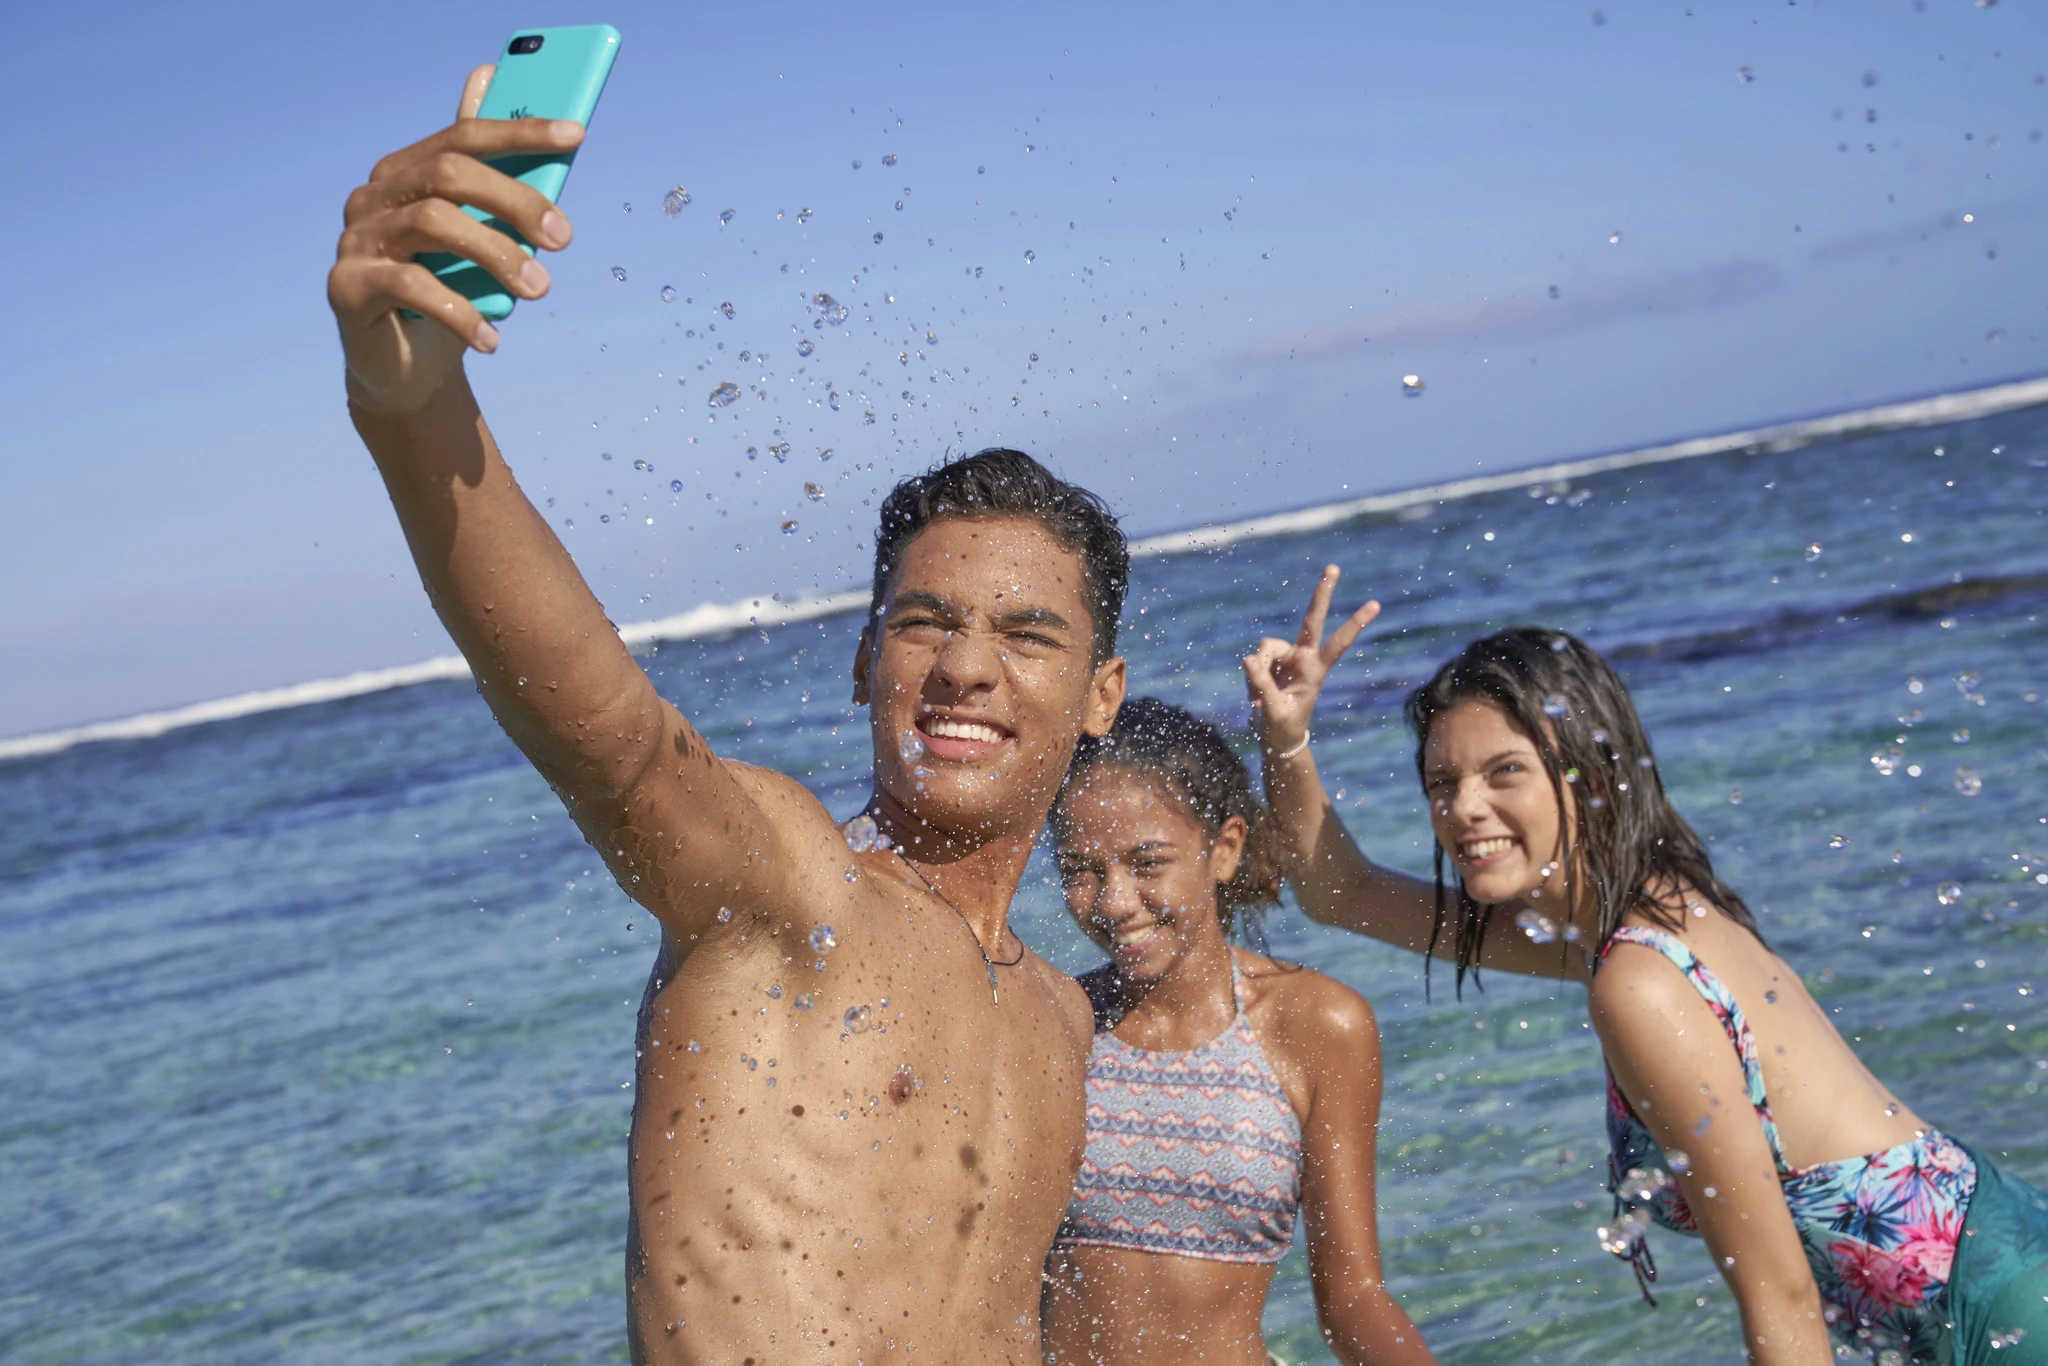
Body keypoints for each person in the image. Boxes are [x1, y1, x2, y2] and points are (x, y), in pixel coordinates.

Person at [328, 68, 1137, 1363]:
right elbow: (613, 732)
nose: (967, 668)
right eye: (925, 623)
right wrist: (411, 407)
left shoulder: (1061, 1016)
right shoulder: (789, 887)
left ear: (1104, 694)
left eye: (1027, 632)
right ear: (865, 660)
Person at [1240, 567, 2048, 1366]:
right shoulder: (1651, 911)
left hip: (1991, 1313)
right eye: (1442, 782)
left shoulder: (1639, 982)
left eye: (1505, 771)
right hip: (1993, 1271)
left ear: (1586, 777)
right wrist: (1289, 737)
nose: (1465, 808)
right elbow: (1341, 893)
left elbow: (1781, 1294)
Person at [1041, 698, 1438, 1366]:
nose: (1113, 901)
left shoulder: (1315, 1025)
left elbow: (1354, 1300)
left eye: (1147, 862)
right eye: (1081, 870)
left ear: (1223, 850)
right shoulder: (1052, 1025)